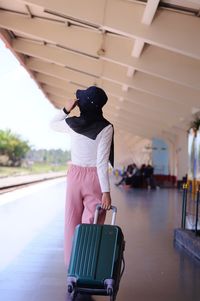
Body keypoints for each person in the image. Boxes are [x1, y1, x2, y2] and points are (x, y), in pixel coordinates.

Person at [50, 86, 114, 269]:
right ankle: (87, 265)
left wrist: (65, 109)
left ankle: (72, 267)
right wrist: (106, 192)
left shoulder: (71, 123)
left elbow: (52, 124)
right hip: (94, 177)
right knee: (92, 222)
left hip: (74, 176)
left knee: (71, 222)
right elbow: (102, 162)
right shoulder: (106, 127)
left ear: (83, 104)